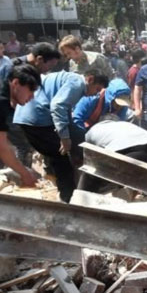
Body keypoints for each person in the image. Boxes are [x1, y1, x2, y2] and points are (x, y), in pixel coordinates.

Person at [13, 69, 95, 202]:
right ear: (90, 79)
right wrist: (65, 138)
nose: (95, 93)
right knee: (61, 159)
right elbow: (58, 106)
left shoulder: (66, 77)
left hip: (27, 115)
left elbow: (66, 114)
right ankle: (68, 199)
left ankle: (56, 183)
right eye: (97, 88)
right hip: (37, 118)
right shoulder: (78, 83)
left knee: (56, 154)